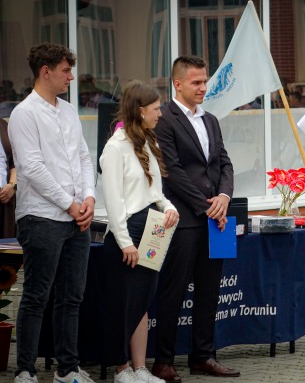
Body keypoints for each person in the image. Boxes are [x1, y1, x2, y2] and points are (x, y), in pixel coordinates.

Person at [9, 43, 96, 383]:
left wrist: (88, 197)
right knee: (37, 296)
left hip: (77, 217)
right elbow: (32, 168)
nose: (71, 77)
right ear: (45, 72)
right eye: (65, 71)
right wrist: (70, 204)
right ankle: (25, 370)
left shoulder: (69, 111)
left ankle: (68, 369)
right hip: (41, 217)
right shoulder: (24, 114)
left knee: (72, 298)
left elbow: (84, 157)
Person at [151, 56, 237, 382]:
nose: (203, 88)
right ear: (178, 84)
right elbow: (171, 171)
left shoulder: (211, 119)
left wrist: (224, 197)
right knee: (173, 291)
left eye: (205, 81)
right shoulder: (164, 119)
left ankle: (203, 356)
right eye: (196, 82)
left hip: (217, 220)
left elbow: (224, 164)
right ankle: (163, 361)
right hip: (184, 219)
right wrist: (206, 206)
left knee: (210, 290)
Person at [99, 81, 179, 383]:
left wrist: (169, 207)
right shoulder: (114, 148)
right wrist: (125, 243)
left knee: (142, 301)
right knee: (124, 304)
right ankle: (121, 369)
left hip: (152, 229)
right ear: (140, 110)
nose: (160, 113)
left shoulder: (146, 142)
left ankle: (140, 367)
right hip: (128, 234)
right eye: (156, 108)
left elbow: (155, 191)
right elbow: (114, 200)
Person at [0, 118, 15, 238]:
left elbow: (14, 162)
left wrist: (12, 185)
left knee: (6, 244)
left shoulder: (3, 126)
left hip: (4, 198)